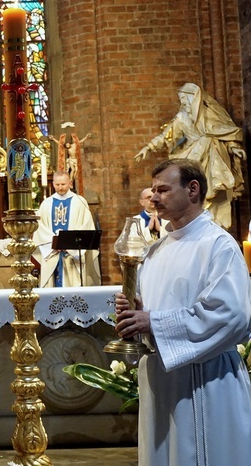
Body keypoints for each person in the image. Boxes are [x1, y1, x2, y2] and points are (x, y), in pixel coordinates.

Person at [115, 158, 251, 465]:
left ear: (192, 190)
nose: (154, 197)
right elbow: (150, 314)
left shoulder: (218, 246)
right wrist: (135, 314)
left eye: (163, 189)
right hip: (160, 382)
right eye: (152, 191)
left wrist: (152, 321)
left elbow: (230, 315)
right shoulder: (155, 250)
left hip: (205, 381)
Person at [135, 83, 245, 229]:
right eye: (182, 100)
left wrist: (233, 147)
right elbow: (167, 135)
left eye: (186, 99)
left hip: (212, 158)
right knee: (189, 187)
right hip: (192, 157)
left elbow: (223, 132)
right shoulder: (182, 117)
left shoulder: (209, 115)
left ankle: (212, 212)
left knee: (209, 142)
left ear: (195, 98)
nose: (184, 103)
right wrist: (149, 147)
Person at [32, 171, 101, 287]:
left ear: (70, 183)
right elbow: (40, 227)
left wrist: (68, 244)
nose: (60, 188)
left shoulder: (80, 202)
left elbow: (86, 225)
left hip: (73, 254)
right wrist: (56, 243)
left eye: (63, 184)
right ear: (53, 184)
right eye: (57, 185)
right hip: (52, 251)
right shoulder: (46, 203)